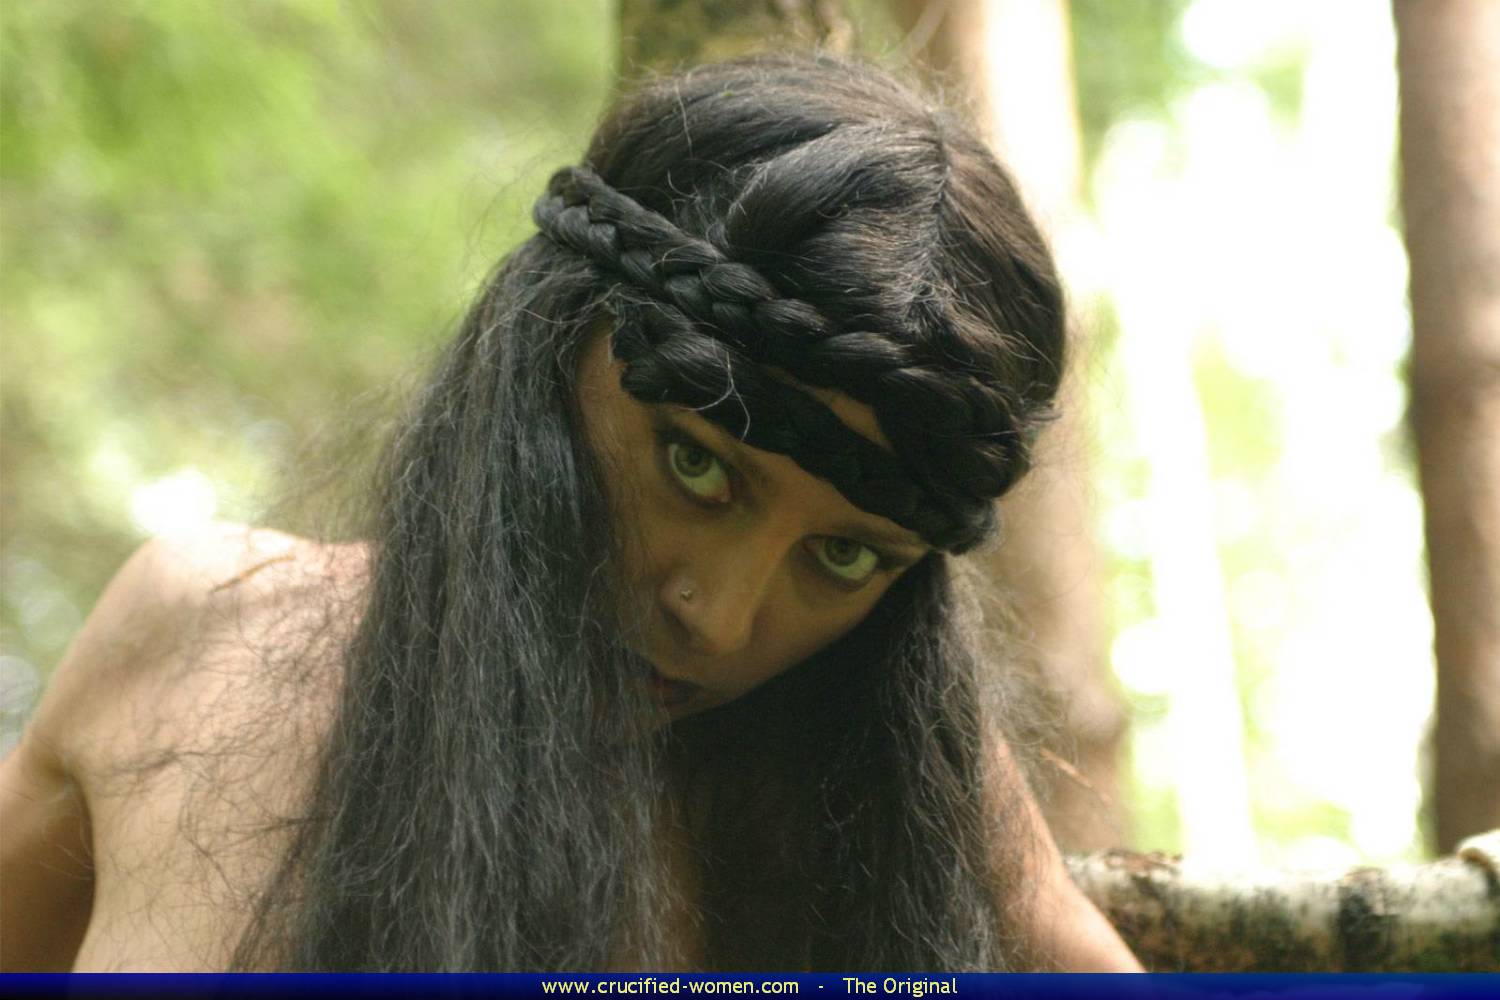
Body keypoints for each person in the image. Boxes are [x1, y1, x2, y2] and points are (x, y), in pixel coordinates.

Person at [0, 53, 1142, 972]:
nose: (719, 616)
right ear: (549, 343)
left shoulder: (888, 792)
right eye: (697, 468)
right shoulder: (201, 634)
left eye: (842, 556)